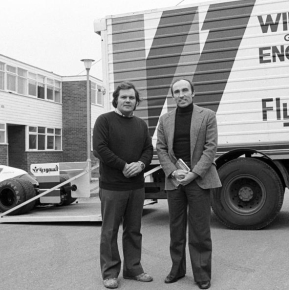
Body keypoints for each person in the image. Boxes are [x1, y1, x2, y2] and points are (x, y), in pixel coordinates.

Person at [156, 78, 221, 289]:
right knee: (176, 228)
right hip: (175, 181)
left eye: (185, 90)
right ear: (172, 95)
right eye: (177, 91)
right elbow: (161, 149)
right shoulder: (165, 119)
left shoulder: (207, 116)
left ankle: (202, 274)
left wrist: (193, 174)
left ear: (193, 93)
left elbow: (211, 149)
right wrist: (173, 172)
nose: (181, 94)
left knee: (200, 230)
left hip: (198, 180)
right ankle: (177, 269)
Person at [93, 81, 154, 289]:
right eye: (124, 97)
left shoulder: (141, 124)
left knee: (133, 230)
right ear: (116, 100)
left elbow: (148, 149)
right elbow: (100, 148)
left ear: (136, 101)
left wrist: (141, 164)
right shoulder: (104, 121)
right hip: (112, 187)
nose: (128, 100)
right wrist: (124, 166)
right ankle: (110, 273)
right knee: (109, 231)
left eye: (131, 97)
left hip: (136, 187)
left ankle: (133, 269)